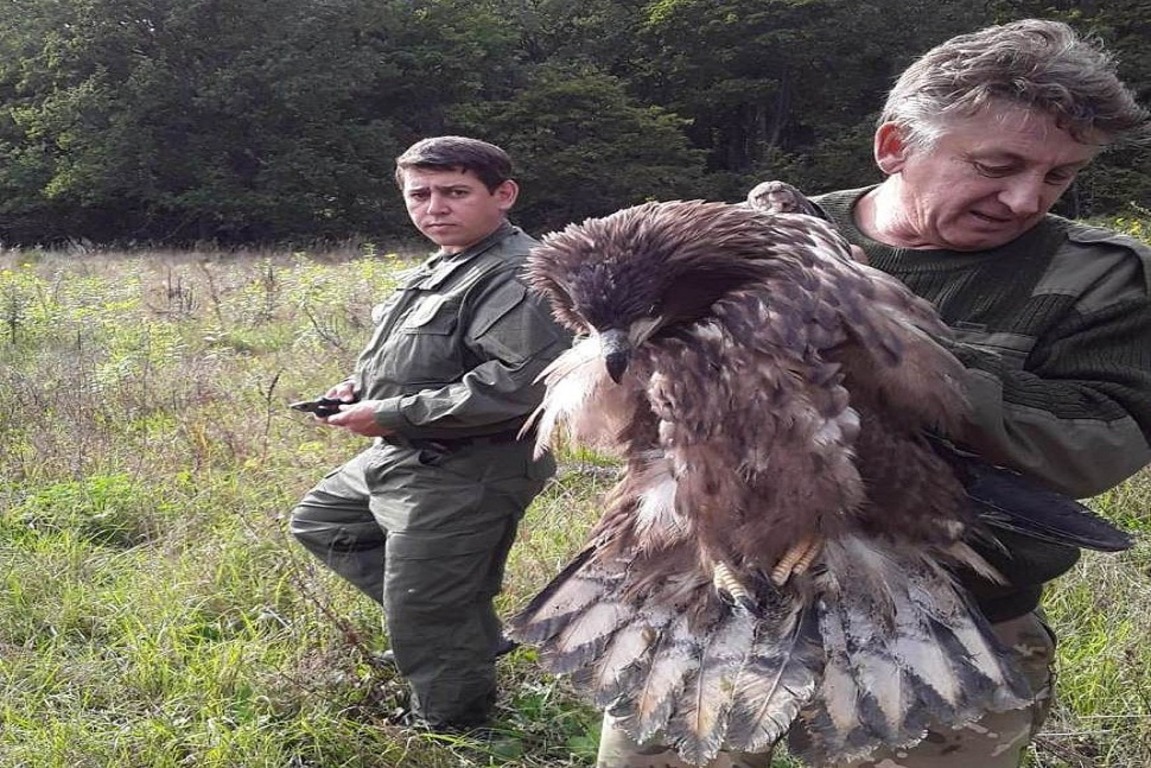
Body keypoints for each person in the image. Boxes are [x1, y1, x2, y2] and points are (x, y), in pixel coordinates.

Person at [596, 18, 1151, 768]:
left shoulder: (1097, 275)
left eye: (1057, 176)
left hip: (935, 619)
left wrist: (881, 345)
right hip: (710, 600)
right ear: (894, 146)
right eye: (996, 164)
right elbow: (606, 404)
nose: (1024, 198)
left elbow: (1101, 444)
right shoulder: (750, 234)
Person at [289, 136, 572, 732]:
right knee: (326, 522)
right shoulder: (448, 261)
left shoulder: (517, 273)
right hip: (403, 450)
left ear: (503, 195)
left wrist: (391, 413)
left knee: (427, 605)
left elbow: (520, 385)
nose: (434, 207)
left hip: (466, 466)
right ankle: (460, 636)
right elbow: (426, 352)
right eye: (420, 194)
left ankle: (453, 727)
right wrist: (359, 387)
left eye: (455, 192)